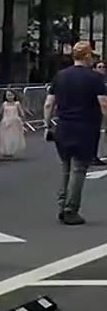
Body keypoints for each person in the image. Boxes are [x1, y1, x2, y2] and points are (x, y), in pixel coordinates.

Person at [45, 41, 107, 225]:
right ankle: (71, 209)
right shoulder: (95, 78)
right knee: (79, 168)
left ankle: (62, 204)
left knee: (65, 167)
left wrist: (47, 125)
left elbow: (49, 103)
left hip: (63, 127)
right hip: (86, 127)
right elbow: (103, 104)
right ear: (87, 56)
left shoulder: (60, 76)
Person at [0, 89, 28, 159]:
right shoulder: (4, 104)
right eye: (8, 95)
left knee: (13, 137)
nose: (9, 97)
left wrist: (23, 120)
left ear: (14, 96)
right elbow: (0, 112)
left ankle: (12, 150)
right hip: (5, 122)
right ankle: (6, 151)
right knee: (5, 137)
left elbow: (21, 113)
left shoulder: (17, 103)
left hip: (15, 122)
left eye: (11, 95)